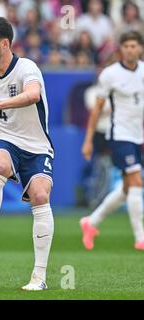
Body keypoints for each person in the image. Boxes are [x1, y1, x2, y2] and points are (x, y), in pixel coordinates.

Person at [0, 17, 54, 291]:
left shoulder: (27, 67)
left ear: (5, 44)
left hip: (37, 146)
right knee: (0, 166)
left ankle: (39, 277)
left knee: (40, 196)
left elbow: (33, 96)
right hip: (5, 139)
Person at [80, 31, 144, 251]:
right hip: (118, 135)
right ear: (121, 49)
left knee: (127, 188)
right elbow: (96, 110)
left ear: (140, 49)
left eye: (134, 46)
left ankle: (91, 222)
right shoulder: (110, 74)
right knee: (136, 181)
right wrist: (88, 141)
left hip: (138, 137)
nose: (130, 50)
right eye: (126, 46)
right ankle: (140, 237)